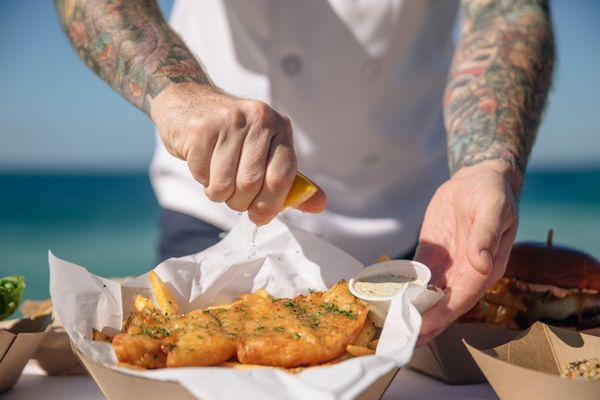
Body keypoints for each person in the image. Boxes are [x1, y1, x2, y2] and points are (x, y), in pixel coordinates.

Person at [54, 0, 554, 344]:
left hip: (417, 225)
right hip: (220, 197)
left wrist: (486, 164)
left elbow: (507, 12)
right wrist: (179, 93)